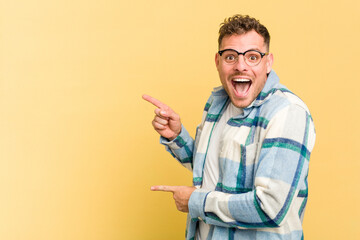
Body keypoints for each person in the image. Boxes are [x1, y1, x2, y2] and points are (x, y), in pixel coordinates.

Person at [143, 14, 316, 240]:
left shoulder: (287, 113)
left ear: (268, 62)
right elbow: (215, 171)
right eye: (231, 57)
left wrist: (195, 202)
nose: (240, 66)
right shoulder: (217, 103)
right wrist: (176, 137)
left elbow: (270, 208)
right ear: (218, 61)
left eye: (252, 57)